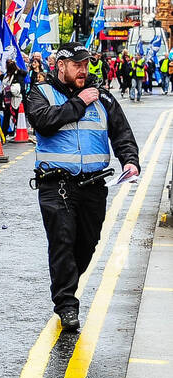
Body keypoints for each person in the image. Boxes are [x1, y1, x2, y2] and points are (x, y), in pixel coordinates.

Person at [24, 42, 140, 331]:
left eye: (86, 64)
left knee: (87, 244)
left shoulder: (103, 97)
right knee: (62, 242)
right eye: (77, 64)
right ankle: (66, 305)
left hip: (94, 186)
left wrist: (130, 161)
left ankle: (67, 284)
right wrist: (79, 103)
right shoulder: (41, 93)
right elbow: (44, 122)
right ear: (61, 66)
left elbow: (122, 132)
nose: (83, 70)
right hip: (56, 185)